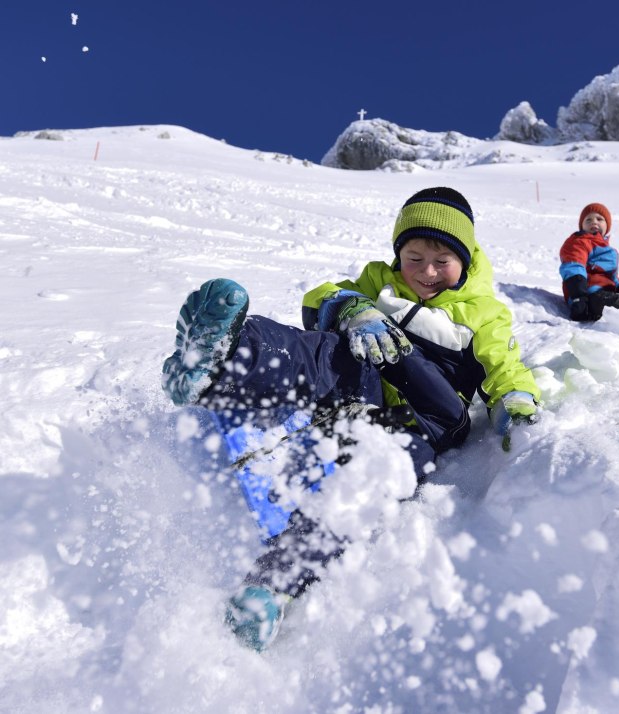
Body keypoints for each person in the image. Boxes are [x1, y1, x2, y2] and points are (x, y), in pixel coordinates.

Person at [160, 187, 541, 650]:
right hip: (362, 394)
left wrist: (515, 400)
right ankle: (222, 363)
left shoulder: (484, 313)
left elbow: (506, 366)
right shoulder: (377, 284)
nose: (426, 272)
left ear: (466, 259)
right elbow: (318, 299)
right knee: (324, 352)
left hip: (427, 417)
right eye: (414, 257)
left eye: (442, 261)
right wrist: (353, 308)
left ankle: (276, 582)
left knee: (367, 485)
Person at [559, 202, 619, 321]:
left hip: (604, 292)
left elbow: (610, 277)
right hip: (587, 297)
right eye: (588, 220)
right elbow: (574, 267)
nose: (594, 222)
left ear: (607, 226)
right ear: (582, 226)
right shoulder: (578, 241)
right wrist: (579, 296)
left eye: (599, 219)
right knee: (617, 304)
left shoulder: (608, 250)